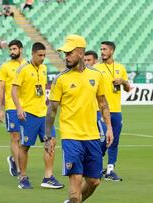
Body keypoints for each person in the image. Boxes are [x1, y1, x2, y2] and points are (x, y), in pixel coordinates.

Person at [45, 34, 113, 203]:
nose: (66, 56)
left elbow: (103, 103)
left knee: (94, 181)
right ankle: (74, 199)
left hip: (92, 136)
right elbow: (52, 109)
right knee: (75, 186)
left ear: (81, 53)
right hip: (71, 137)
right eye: (65, 53)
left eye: (69, 53)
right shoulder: (60, 79)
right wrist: (48, 135)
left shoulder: (97, 76)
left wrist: (109, 127)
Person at [12, 42, 64, 189]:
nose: (42, 58)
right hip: (28, 114)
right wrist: (19, 108)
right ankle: (23, 177)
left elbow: (41, 89)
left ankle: (48, 177)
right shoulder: (23, 69)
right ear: (33, 53)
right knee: (25, 146)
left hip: (44, 114)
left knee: (51, 142)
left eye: (44, 55)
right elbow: (14, 91)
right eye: (40, 55)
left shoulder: (44, 68)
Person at [94, 41, 131, 181]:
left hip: (116, 110)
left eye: (105, 49)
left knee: (114, 141)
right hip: (101, 110)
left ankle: (110, 169)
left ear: (112, 51)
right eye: (101, 49)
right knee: (103, 139)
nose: (102, 52)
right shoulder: (96, 68)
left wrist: (123, 82)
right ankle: (95, 166)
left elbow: (128, 89)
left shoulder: (120, 68)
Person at [0, 40, 26, 177]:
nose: (12, 52)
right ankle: (20, 169)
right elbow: (0, 88)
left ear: (21, 49)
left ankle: (14, 159)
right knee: (15, 136)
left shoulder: (27, 65)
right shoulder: (5, 67)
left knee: (24, 139)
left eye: (14, 49)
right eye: (10, 49)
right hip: (11, 107)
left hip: (27, 107)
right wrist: (0, 109)